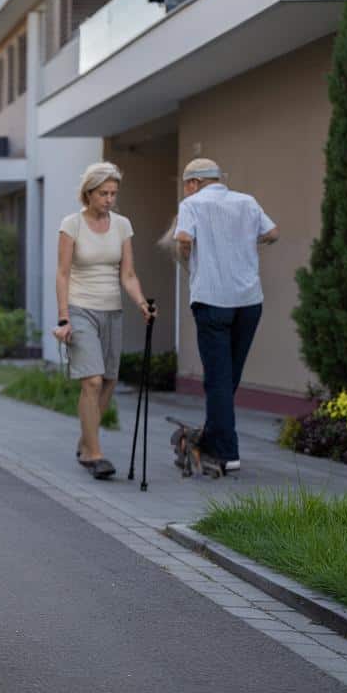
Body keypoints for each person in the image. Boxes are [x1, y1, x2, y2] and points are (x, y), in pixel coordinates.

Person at [173, 158, 279, 473]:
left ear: (193, 183)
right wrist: (245, 244)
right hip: (249, 301)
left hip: (212, 298)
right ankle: (212, 434)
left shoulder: (191, 204)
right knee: (228, 377)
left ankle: (225, 452)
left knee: (218, 379)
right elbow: (273, 233)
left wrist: (187, 260)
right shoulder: (246, 202)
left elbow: (183, 239)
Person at [52, 162, 154, 480]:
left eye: (113, 193)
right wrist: (64, 317)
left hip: (112, 311)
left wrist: (140, 302)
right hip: (81, 309)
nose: (109, 199)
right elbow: (63, 273)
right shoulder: (72, 225)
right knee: (92, 381)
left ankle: (86, 441)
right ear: (89, 193)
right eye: (103, 193)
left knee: (108, 381)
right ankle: (95, 455)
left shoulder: (122, 225)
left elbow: (128, 273)